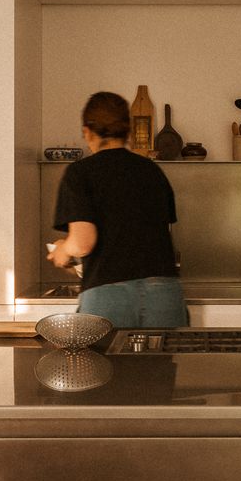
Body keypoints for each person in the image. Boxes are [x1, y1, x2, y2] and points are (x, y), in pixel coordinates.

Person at [47, 91, 185, 328]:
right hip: (165, 293)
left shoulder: (80, 173)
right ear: (127, 131)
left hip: (109, 294)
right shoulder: (151, 171)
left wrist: (62, 249)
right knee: (158, 366)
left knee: (103, 365)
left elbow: (83, 243)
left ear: (87, 131)